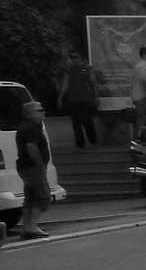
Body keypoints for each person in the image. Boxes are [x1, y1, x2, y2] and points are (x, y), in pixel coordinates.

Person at [14, 100, 53, 239]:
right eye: (40, 110)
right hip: (33, 167)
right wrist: (40, 164)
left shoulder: (26, 126)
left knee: (30, 197)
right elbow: (31, 147)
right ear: (30, 113)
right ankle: (32, 227)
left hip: (25, 166)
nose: (43, 112)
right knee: (42, 196)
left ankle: (26, 227)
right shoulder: (32, 128)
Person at [57, 49, 105, 149]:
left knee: (87, 120)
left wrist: (96, 96)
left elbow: (93, 83)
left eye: (76, 57)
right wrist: (61, 97)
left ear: (81, 57)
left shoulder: (87, 68)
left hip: (86, 98)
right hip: (73, 99)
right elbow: (65, 84)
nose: (73, 59)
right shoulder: (69, 69)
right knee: (75, 122)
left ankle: (93, 140)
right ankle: (80, 144)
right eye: (72, 57)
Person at [131, 46, 146, 141]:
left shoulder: (138, 65)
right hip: (143, 96)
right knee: (143, 119)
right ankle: (141, 139)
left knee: (142, 119)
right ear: (145, 55)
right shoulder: (145, 66)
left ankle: (141, 138)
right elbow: (144, 80)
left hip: (139, 96)